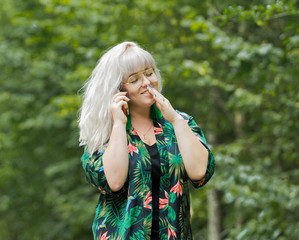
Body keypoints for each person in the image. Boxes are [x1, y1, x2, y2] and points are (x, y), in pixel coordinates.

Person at [79, 41, 215, 240]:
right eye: (134, 79)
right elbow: (114, 182)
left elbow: (200, 172)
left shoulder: (180, 122)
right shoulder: (104, 133)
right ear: (118, 89)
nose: (147, 82)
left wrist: (175, 120)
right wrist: (118, 123)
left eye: (149, 73)